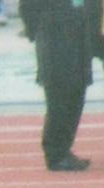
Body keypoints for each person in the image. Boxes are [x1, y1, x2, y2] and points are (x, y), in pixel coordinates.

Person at [19, 0, 100, 172]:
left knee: (77, 93)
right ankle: (56, 153)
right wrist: (34, 30)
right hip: (55, 36)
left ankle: (64, 148)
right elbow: (28, 6)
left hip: (81, 34)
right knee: (60, 97)